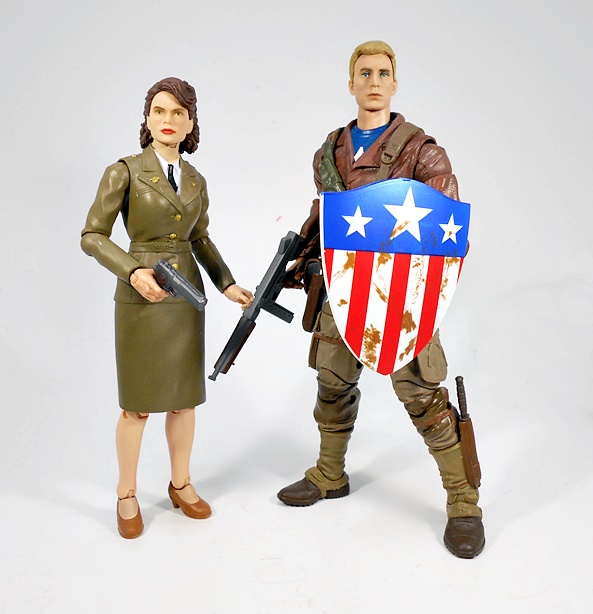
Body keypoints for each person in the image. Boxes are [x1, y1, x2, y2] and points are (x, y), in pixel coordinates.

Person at [277, 41, 485, 558]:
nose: (374, 82)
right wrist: (298, 257)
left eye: (383, 73)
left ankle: (463, 502)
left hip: (402, 295)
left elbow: (445, 226)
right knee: (332, 382)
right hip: (342, 287)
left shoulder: (423, 151)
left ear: (394, 83)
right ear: (351, 84)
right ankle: (329, 473)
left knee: (422, 396)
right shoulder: (330, 152)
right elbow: (325, 214)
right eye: (364, 73)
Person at [81, 77, 253, 539]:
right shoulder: (124, 171)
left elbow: (200, 238)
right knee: (136, 406)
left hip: (185, 298)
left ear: (191, 122)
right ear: (147, 118)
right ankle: (126, 493)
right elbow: (92, 235)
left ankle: (181, 484)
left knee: (183, 401)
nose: (169, 120)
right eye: (159, 111)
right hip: (140, 296)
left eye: (179, 112)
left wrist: (227, 283)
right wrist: (132, 271)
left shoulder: (196, 180)